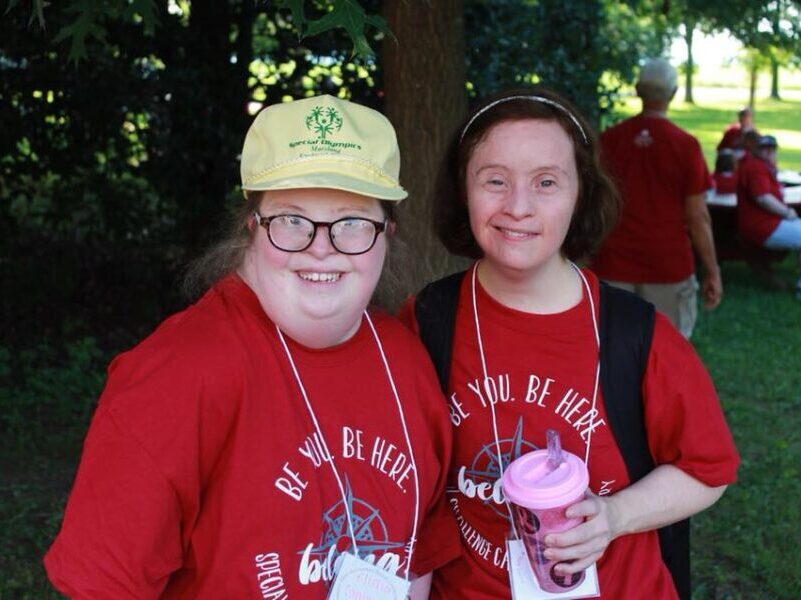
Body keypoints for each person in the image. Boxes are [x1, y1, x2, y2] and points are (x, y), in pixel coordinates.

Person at [44, 95, 460, 598]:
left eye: (352, 221)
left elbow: (418, 556)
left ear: (386, 235)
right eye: (291, 219)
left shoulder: (405, 360)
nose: (321, 246)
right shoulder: (175, 374)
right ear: (252, 228)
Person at [400, 87, 739, 599]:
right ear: (463, 191)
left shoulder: (635, 335)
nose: (518, 206)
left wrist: (615, 515)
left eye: (546, 182)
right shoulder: (428, 319)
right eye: (494, 180)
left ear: (581, 194)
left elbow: (709, 470)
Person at [592, 58, 722, 339]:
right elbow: (697, 216)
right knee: (667, 351)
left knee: (615, 349)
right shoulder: (685, 145)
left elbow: (594, 204)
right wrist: (712, 270)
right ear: (673, 94)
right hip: (668, 264)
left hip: (614, 263)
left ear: (638, 90)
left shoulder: (609, 140)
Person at [737, 134, 801, 297]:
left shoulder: (761, 166)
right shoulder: (756, 167)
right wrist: (787, 212)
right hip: (762, 226)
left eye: (771, 149)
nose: (768, 152)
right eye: (764, 148)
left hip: (767, 223)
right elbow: (763, 198)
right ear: (756, 150)